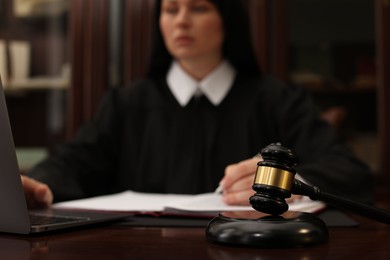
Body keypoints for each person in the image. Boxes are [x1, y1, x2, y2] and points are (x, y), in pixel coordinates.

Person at [22, 0, 373, 209]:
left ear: (228, 18)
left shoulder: (277, 99)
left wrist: (285, 180)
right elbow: (73, 162)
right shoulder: (126, 103)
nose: (181, 20)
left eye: (198, 7)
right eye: (170, 9)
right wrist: (35, 185)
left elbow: (349, 171)